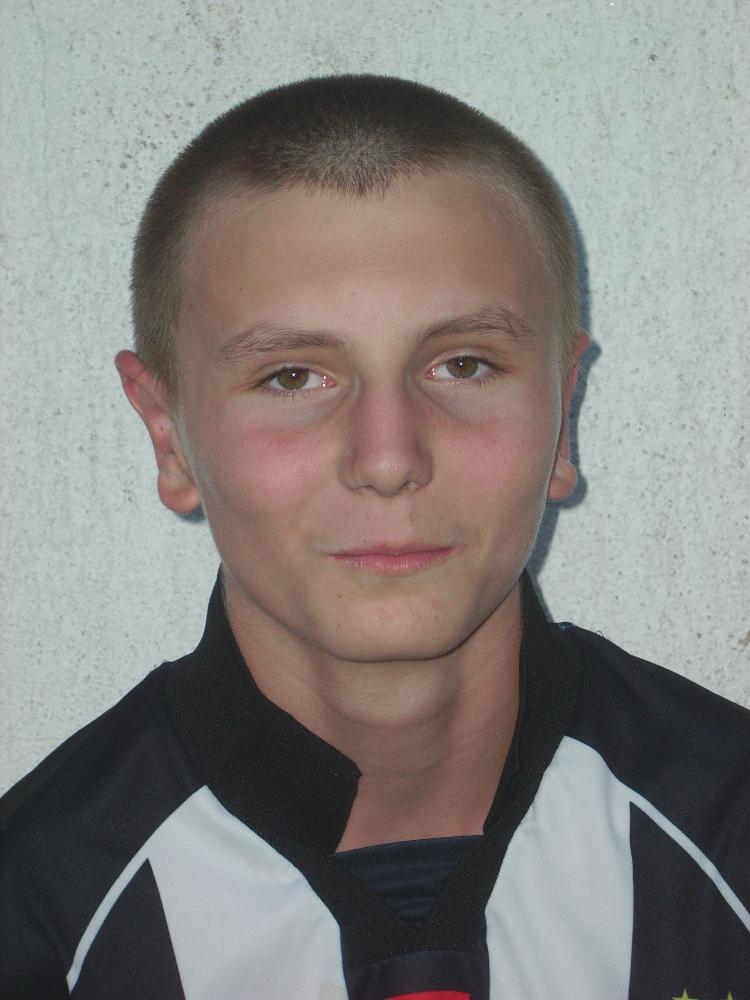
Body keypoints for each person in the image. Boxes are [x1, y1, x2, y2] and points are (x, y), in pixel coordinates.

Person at [1, 75, 748, 1000]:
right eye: (292, 377)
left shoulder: (731, 834)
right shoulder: (36, 916)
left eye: (463, 363)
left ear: (563, 417)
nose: (389, 459)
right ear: (169, 437)